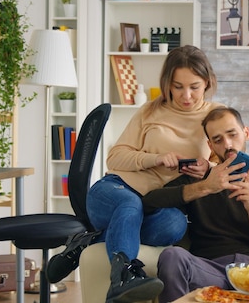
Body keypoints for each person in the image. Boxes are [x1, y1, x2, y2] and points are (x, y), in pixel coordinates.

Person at [69, 45, 223, 303]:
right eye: (177, 86)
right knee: (131, 204)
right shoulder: (150, 110)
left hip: (158, 205)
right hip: (117, 189)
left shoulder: (216, 114)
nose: (186, 95)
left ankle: (85, 242)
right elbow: (115, 156)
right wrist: (155, 159)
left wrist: (209, 168)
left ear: (206, 82)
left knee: (175, 225)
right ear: (167, 84)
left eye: (194, 87)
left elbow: (230, 160)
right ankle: (126, 277)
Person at [142, 107, 249, 302]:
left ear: (246, 133)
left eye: (232, 134)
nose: (227, 144)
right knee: (172, 256)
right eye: (218, 140)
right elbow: (148, 203)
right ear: (210, 146)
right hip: (211, 269)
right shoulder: (198, 180)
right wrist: (205, 187)